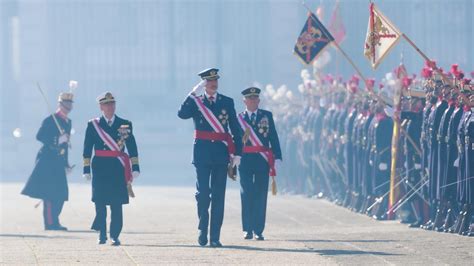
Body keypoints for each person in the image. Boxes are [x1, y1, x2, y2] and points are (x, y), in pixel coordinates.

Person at [178, 68, 243, 247]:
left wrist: (238, 153)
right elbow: (181, 114)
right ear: (204, 83)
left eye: (215, 80)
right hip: (202, 153)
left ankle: (215, 236)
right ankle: (202, 227)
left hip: (221, 154)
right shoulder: (196, 102)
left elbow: (235, 129)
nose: (213, 83)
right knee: (203, 194)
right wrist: (193, 92)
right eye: (209, 81)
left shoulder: (227, 102)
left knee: (218, 195)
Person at [83, 92, 140, 245]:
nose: (110, 107)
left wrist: (135, 166)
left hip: (117, 167)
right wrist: (86, 169)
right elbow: (87, 147)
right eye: (107, 104)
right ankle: (102, 234)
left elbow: (132, 146)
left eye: (112, 104)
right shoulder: (93, 124)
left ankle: (115, 234)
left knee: (116, 203)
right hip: (100, 166)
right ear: (101, 107)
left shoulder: (124, 124)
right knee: (100, 202)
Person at [22, 91, 74, 231]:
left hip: (58, 162)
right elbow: (40, 136)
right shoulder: (50, 119)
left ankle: (54, 221)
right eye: (65, 104)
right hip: (47, 160)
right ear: (60, 104)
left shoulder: (68, 122)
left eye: (70, 104)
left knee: (61, 193)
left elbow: (65, 147)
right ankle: (51, 223)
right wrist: (57, 140)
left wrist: (66, 163)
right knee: (50, 193)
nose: (68, 106)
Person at [237, 87, 282, 241]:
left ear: (259, 100)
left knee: (261, 194)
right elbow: (235, 140)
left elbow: (273, 137)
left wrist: (278, 157)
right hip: (245, 160)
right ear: (244, 101)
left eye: (255, 98)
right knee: (247, 193)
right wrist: (232, 157)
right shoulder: (238, 118)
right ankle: (247, 229)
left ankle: (258, 230)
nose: (253, 101)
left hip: (262, 160)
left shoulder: (266, 116)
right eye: (250, 99)